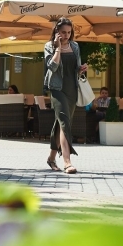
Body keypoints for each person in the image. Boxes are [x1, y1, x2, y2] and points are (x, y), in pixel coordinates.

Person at [44, 17, 87, 174]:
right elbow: (52, 66)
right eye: (63, 32)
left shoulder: (75, 46)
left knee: (60, 124)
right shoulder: (49, 46)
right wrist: (57, 48)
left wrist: (81, 69)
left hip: (72, 89)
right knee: (64, 123)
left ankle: (51, 158)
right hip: (57, 89)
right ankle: (67, 162)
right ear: (57, 31)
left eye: (69, 32)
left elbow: (76, 68)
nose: (66, 35)